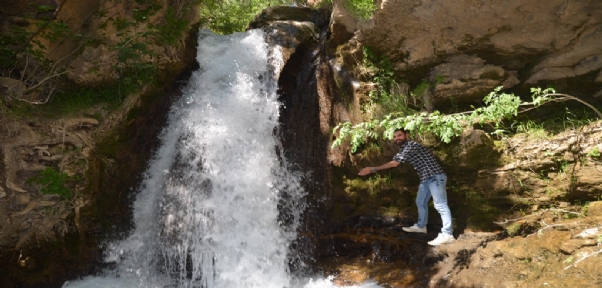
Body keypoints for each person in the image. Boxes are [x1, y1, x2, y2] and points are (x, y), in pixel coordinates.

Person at [358, 128, 455, 246]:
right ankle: (421, 226)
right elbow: (397, 159)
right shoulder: (405, 149)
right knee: (420, 202)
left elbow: (395, 163)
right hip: (426, 179)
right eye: (394, 137)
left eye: (399, 135)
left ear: (406, 135)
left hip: (435, 177)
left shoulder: (411, 145)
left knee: (440, 205)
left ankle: (447, 234)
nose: (396, 138)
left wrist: (373, 169)